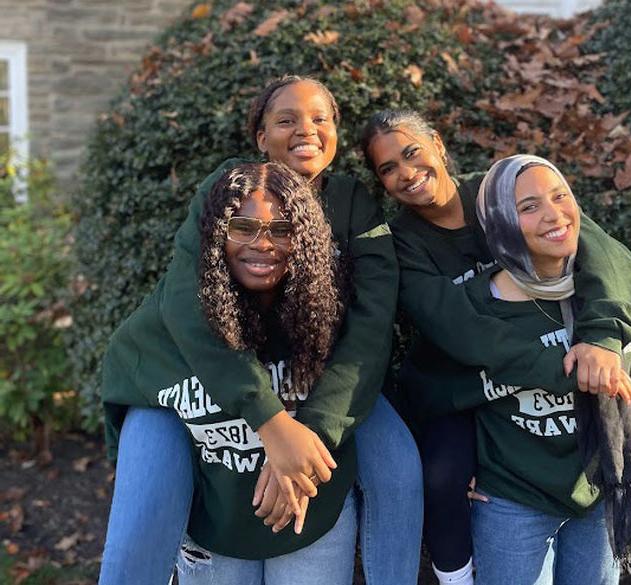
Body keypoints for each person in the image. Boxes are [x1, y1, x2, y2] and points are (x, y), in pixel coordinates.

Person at [361, 110, 631, 585]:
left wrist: (618, 353)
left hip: (574, 340)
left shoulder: (507, 186)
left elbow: (610, 266)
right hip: (474, 372)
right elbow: (460, 331)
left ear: (437, 143)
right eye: (387, 168)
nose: (406, 172)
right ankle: (457, 576)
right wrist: (576, 368)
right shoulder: (404, 243)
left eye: (411, 152)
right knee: (444, 477)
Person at [99, 77, 422, 585]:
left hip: (311, 373)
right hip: (189, 367)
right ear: (260, 137)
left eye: (321, 118)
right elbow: (192, 305)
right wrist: (272, 423)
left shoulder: (351, 202)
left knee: (400, 468)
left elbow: (371, 322)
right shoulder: (229, 185)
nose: (306, 130)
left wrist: (310, 435)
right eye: (286, 119)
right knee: (148, 494)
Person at [103, 162, 356, 582]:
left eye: (281, 229)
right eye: (243, 226)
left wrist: (291, 451)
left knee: (399, 475)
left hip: (310, 522)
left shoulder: (321, 316)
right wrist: (274, 429)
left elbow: (352, 386)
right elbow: (131, 430)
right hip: (214, 528)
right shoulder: (170, 332)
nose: (264, 244)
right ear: (218, 231)